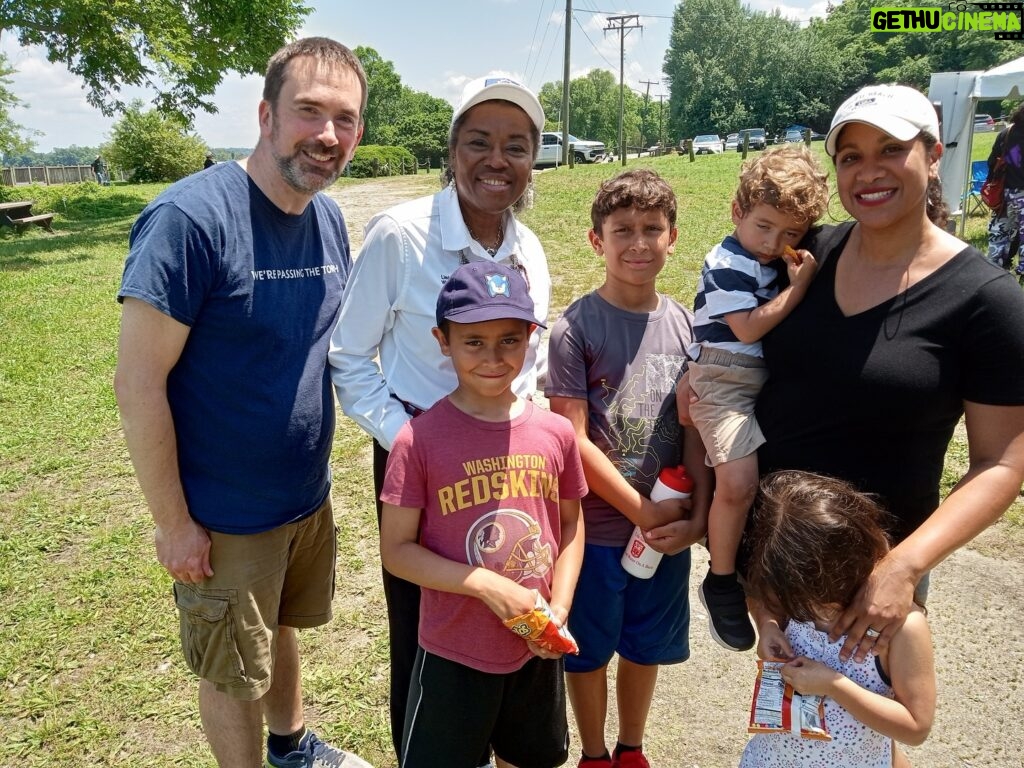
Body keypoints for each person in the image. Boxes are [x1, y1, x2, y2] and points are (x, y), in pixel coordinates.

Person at [690, 83, 1024, 666]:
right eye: (851, 156)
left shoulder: (987, 299)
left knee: (870, 733)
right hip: (772, 556)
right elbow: (717, 355)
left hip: (874, 576)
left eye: (890, 148)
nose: (869, 171)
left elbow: (1002, 463)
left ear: (934, 152)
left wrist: (904, 566)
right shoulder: (808, 252)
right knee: (790, 733)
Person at [113, 38, 372, 768]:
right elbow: (137, 382)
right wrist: (173, 524)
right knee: (232, 669)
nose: (327, 135)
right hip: (223, 516)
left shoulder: (327, 220)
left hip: (300, 500)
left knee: (278, 628)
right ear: (265, 114)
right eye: (309, 112)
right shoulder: (190, 222)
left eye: (344, 120)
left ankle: (293, 747)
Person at [328, 74, 551, 762]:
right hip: (417, 453)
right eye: (479, 142)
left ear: (533, 160)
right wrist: (411, 443)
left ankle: (506, 738)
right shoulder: (401, 236)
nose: (497, 160)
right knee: (426, 624)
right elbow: (349, 355)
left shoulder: (531, 250)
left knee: (513, 600)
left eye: (516, 146)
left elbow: (532, 364)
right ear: (453, 151)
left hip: (508, 457)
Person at [379, 261, 587, 768]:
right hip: (454, 648)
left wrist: (558, 607)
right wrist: (487, 585)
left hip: (534, 645)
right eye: (473, 342)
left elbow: (570, 525)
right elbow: (397, 551)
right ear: (442, 340)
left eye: (510, 340)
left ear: (529, 339)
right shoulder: (419, 440)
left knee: (530, 756)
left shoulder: (555, 434)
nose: (493, 357)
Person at [545, 169, 712, 768]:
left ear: (673, 237)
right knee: (587, 652)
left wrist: (691, 516)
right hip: (594, 534)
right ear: (597, 241)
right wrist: (638, 509)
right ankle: (593, 753)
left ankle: (631, 747)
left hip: (665, 532)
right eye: (623, 231)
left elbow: (695, 428)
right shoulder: (574, 329)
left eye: (652, 229)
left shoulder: (689, 326)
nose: (638, 243)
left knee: (646, 647)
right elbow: (571, 435)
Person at [687, 145, 828, 653]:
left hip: (754, 382)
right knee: (739, 483)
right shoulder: (726, 261)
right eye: (764, 226)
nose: (774, 243)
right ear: (737, 213)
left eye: (790, 234)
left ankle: (746, 568)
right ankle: (720, 579)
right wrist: (799, 287)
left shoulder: (763, 260)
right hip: (723, 380)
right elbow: (745, 327)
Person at [740, 470, 935, 767]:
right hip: (772, 758)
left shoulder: (902, 629)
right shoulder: (794, 589)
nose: (806, 611)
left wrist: (834, 685)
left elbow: (915, 727)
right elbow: (761, 598)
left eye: (815, 604)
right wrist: (767, 624)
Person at [985, 103, 1024, 278]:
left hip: (1004, 193)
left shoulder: (1006, 133)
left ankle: (993, 269)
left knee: (999, 233)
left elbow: (992, 161)